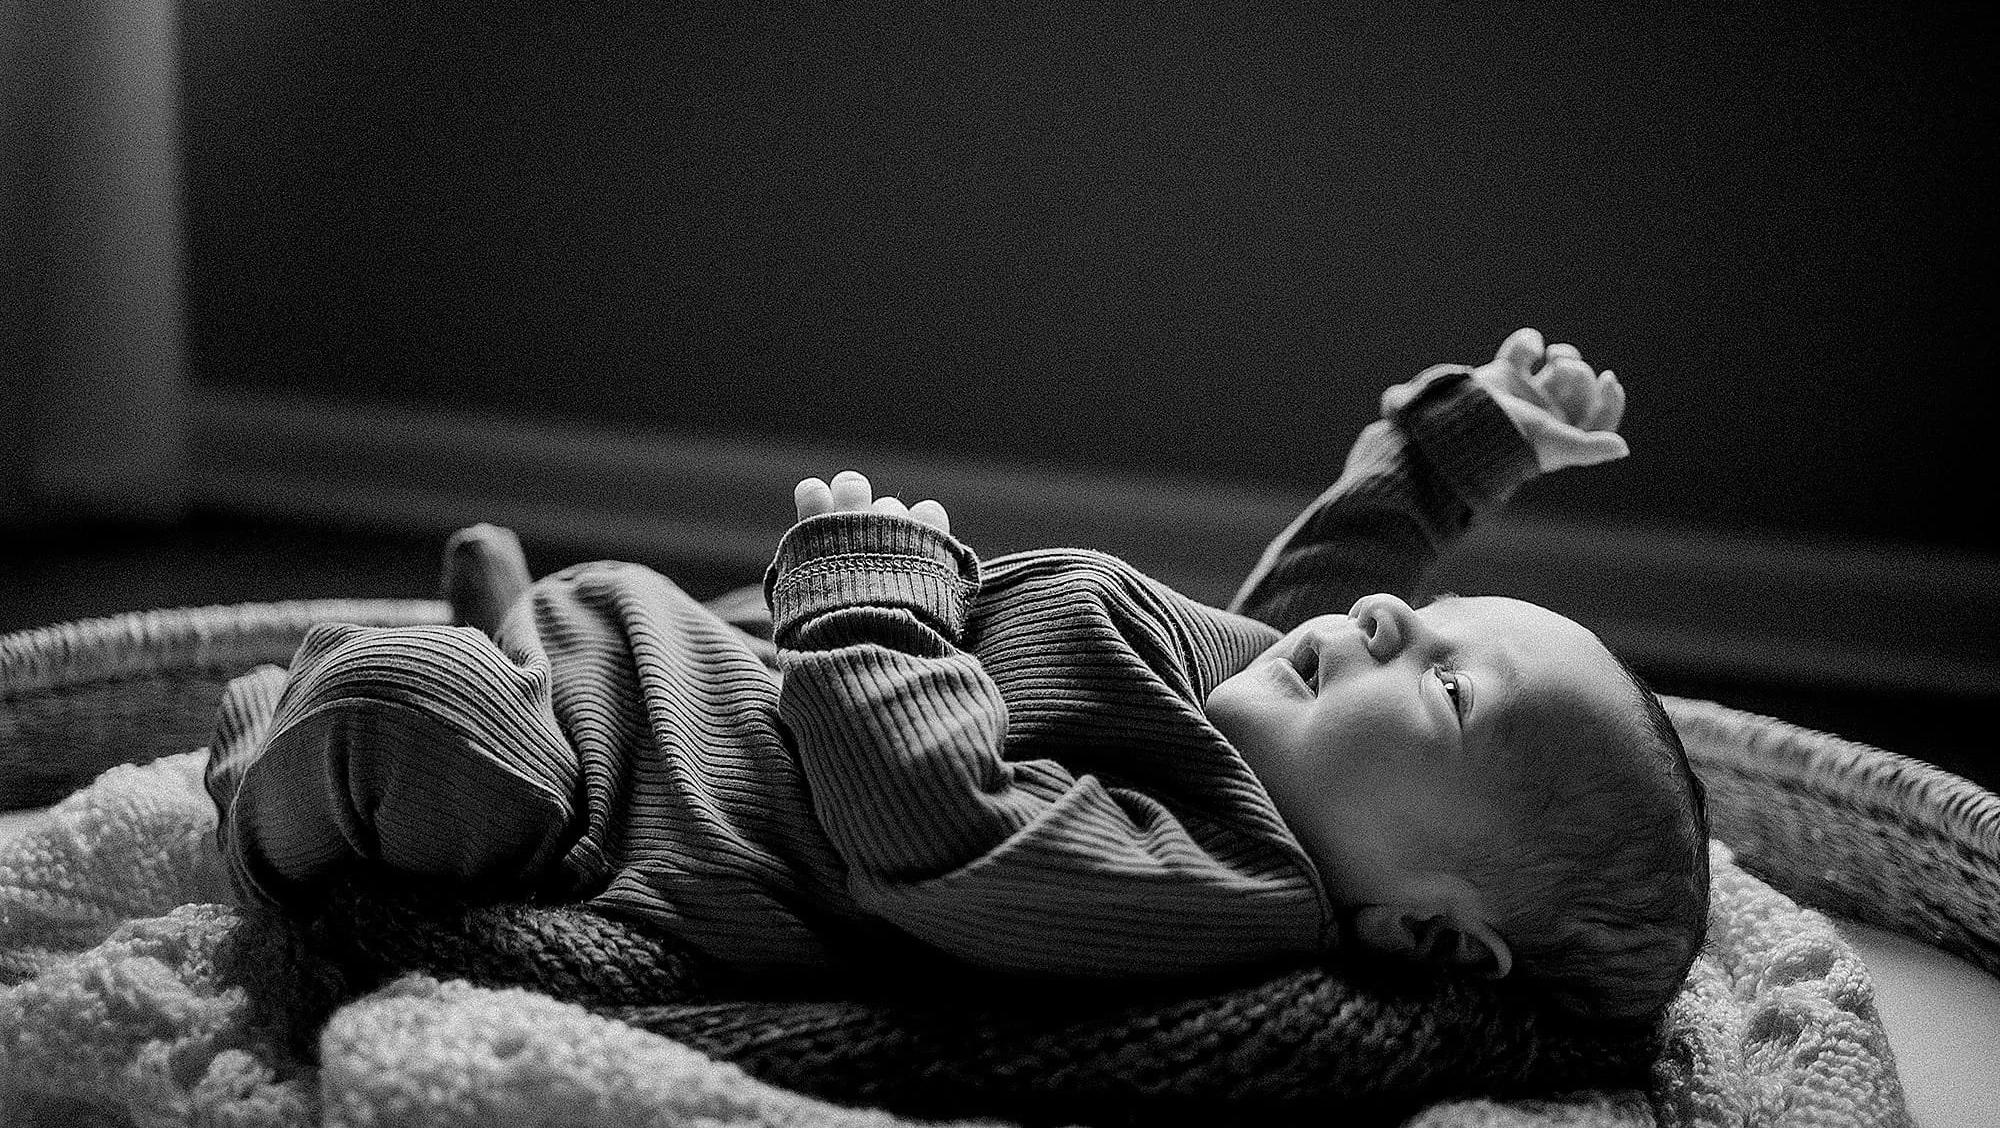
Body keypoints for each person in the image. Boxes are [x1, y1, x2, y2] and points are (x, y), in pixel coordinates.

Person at [204, 329, 1710, 1022]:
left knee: (411, 717)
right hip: (685, 666)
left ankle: (272, 780)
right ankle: (519, 643)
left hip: (608, 810)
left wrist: (872, 601)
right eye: (1436, 616)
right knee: (651, 623)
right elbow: (1333, 573)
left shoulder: (1224, 887)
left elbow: (937, 827)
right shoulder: (1279, 707)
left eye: (1451, 690)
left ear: (1430, 934)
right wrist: (1460, 451)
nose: (1390, 622)